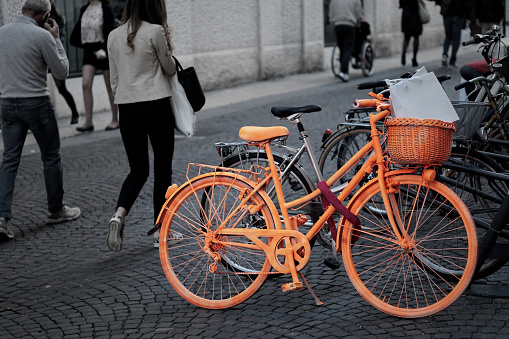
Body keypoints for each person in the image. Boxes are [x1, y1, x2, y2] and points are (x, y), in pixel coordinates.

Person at [0, 0, 81, 240]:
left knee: (9, 160)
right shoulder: (42, 36)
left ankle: (2, 218)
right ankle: (56, 210)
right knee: (51, 156)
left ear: (23, 10)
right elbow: (61, 72)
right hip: (36, 102)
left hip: (7, 101)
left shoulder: (1, 33)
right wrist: (56, 39)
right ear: (46, 16)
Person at [106, 0, 180, 251]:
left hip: (127, 108)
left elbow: (114, 80)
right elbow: (169, 69)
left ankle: (118, 215)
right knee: (162, 169)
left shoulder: (114, 36)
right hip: (156, 104)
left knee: (138, 170)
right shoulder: (155, 31)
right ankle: (164, 230)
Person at [70, 0, 118, 132]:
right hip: (90, 51)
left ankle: (115, 119)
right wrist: (88, 47)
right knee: (86, 84)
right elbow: (76, 34)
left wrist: (103, 49)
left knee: (109, 85)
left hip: (104, 50)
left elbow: (110, 32)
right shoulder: (84, 9)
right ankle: (88, 122)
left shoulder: (106, 8)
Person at [49, 0, 80, 124]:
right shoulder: (38, 18)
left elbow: (60, 38)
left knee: (62, 88)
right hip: (41, 56)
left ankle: (75, 113)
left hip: (54, 55)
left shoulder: (59, 18)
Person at [328, 0, 363, 82]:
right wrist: (358, 23)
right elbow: (359, 14)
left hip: (338, 25)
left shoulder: (333, 1)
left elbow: (331, 13)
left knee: (342, 48)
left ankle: (342, 70)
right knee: (348, 48)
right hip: (349, 25)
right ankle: (344, 72)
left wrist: (332, 20)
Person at [438, 0, 469, 67]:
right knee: (456, 39)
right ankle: (452, 60)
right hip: (458, 15)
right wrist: (467, 17)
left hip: (447, 15)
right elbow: (466, 4)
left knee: (448, 37)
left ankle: (445, 55)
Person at [400, 0, 422, 67]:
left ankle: (404, 53)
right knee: (416, 37)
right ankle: (414, 58)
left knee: (406, 38)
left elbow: (401, 4)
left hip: (406, 15)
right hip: (414, 15)